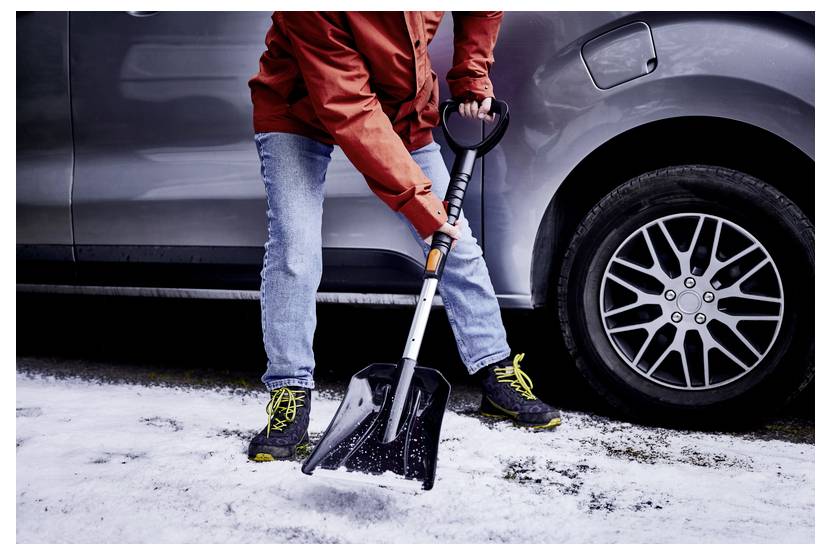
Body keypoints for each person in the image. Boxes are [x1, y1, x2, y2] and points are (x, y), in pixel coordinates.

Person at [247, 12, 561, 462]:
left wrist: (472, 74)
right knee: (294, 250)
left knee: (456, 242)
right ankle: (290, 392)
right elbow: (349, 107)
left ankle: (495, 368)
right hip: (297, 107)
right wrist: (423, 206)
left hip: (399, 108)